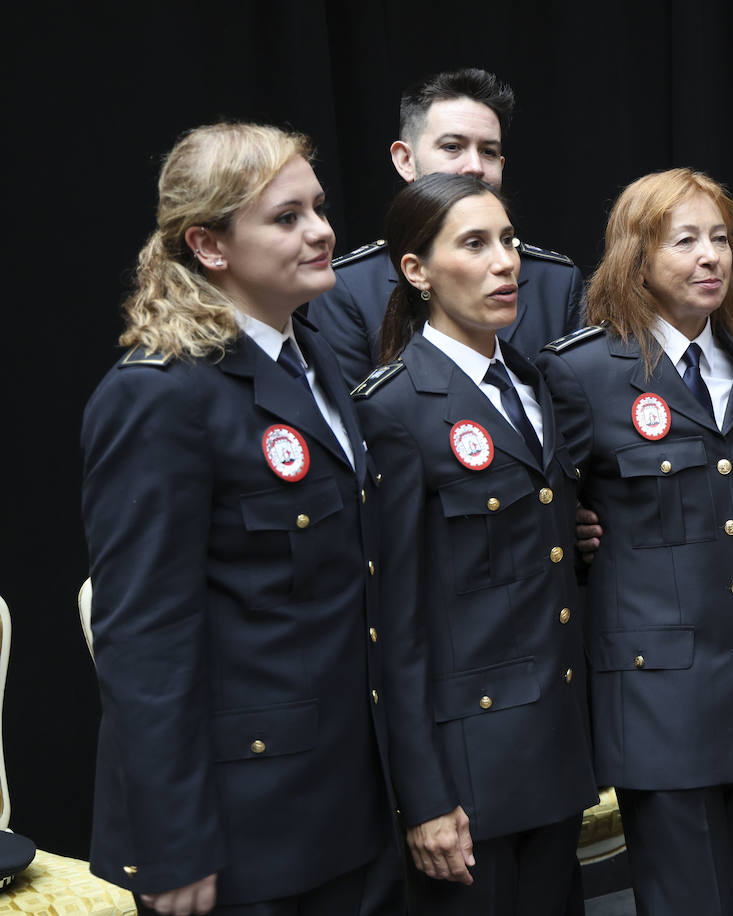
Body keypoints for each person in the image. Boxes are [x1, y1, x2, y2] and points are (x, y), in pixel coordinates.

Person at [80, 122, 419, 914]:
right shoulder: (158, 396)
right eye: (287, 217)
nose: (323, 231)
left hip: (351, 804)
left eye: (319, 208)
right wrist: (173, 843)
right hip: (243, 832)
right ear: (209, 245)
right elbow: (143, 639)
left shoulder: (317, 363)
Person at [535, 169, 733, 915]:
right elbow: (542, 515)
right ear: (636, 256)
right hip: (658, 696)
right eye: (684, 239)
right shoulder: (583, 370)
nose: (710, 257)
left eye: (720, 239)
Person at [350, 172, 597, 913]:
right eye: (475, 244)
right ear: (416, 271)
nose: (505, 262)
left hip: (551, 747)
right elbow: (391, 623)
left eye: (510, 241)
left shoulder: (529, 383)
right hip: (467, 774)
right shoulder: (393, 407)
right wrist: (423, 797)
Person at [310, 68, 583, 384]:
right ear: (405, 160)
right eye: (453, 147)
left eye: (489, 152)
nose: (475, 167)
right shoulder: (347, 289)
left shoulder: (557, 283)